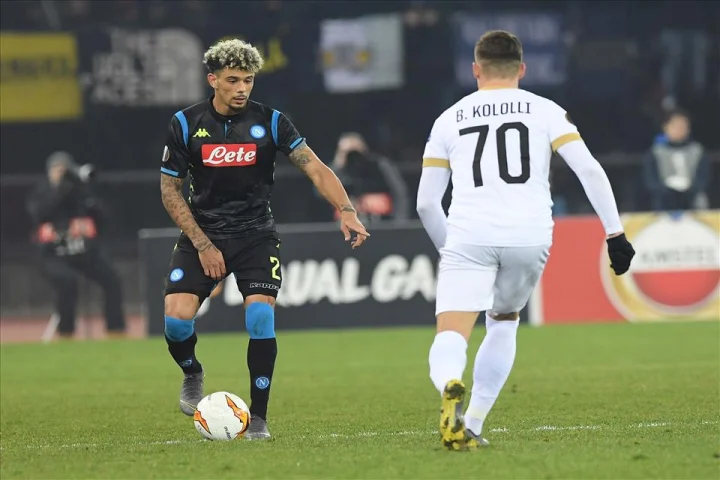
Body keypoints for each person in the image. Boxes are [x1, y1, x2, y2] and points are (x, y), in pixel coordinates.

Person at [416, 30, 635, 451]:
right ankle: (473, 423)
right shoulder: (546, 110)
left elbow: (426, 203)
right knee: (504, 320)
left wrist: (451, 250)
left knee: (452, 332)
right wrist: (615, 233)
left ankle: (449, 383)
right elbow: (589, 170)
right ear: (522, 69)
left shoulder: (448, 119)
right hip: (529, 235)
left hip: (469, 234)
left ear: (475, 70)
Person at [159, 39, 369, 440]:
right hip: (202, 233)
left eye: (248, 80)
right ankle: (192, 372)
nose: (242, 88)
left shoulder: (271, 121)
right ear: (213, 80)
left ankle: (258, 419)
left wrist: (346, 209)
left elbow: (315, 167)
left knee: (259, 317)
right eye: (232, 80)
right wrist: (203, 245)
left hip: (255, 234)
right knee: (175, 321)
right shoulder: (185, 123)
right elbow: (170, 190)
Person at [26, 151, 126, 339]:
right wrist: (59, 190)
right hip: (53, 255)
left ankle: (116, 331)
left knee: (113, 280)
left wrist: (86, 194)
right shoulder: (41, 193)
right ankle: (66, 333)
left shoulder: (79, 192)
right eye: (58, 169)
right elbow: (40, 214)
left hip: (83, 252)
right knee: (68, 282)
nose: (62, 173)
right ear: (49, 171)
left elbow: (104, 219)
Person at [331, 132, 411, 222]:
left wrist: (399, 223)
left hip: (381, 222)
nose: (352, 157)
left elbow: (400, 193)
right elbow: (322, 197)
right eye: (347, 153)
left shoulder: (380, 167)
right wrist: (338, 165)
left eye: (355, 152)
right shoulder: (336, 173)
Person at [642, 109, 709, 212]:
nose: (679, 130)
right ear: (665, 127)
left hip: (694, 203)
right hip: (663, 204)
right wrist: (668, 191)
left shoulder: (698, 151)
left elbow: (703, 178)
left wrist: (689, 191)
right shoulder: (655, 153)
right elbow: (651, 181)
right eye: (675, 126)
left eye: (683, 126)